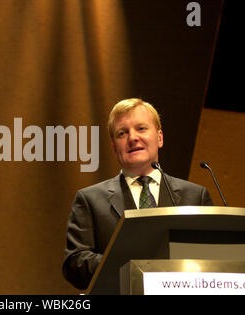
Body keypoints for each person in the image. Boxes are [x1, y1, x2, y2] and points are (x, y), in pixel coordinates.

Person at [62, 98, 213, 290]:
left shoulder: (196, 197)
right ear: (114, 147)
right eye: (122, 133)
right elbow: (75, 264)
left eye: (141, 128)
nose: (132, 138)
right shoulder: (90, 200)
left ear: (159, 138)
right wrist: (131, 265)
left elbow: (212, 259)